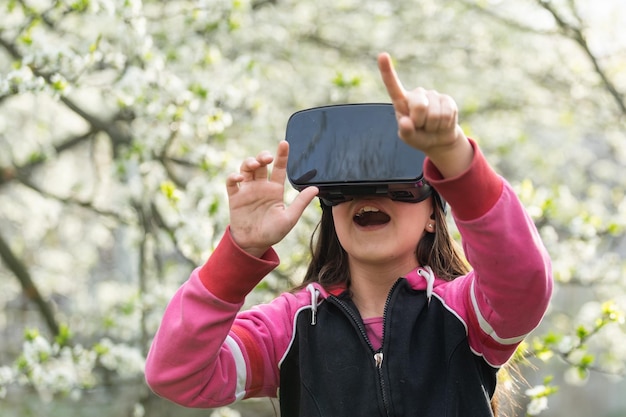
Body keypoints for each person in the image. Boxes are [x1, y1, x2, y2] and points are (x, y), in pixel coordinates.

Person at [144, 52, 553, 416]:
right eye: (350, 188)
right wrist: (240, 251)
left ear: (434, 214)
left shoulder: (467, 314)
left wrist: (453, 155)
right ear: (330, 210)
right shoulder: (289, 329)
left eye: (392, 183)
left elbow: (523, 283)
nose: (369, 196)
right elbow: (177, 375)